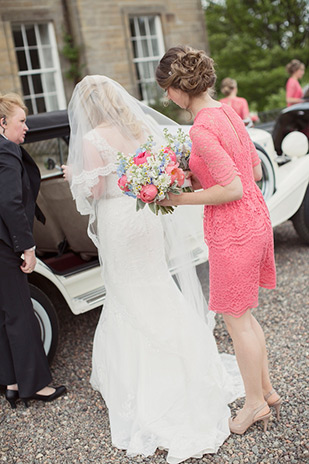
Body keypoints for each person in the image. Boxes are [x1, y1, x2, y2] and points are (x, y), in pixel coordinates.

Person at [63, 75, 245, 463]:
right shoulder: (137, 130)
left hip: (117, 219)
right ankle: (187, 364)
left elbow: (94, 192)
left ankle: (148, 386)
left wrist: (72, 176)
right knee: (156, 283)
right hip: (144, 219)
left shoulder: (91, 139)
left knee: (126, 290)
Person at [156, 46, 281, 435]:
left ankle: (255, 403)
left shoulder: (201, 128)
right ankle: (266, 389)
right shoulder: (227, 111)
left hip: (234, 230)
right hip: (256, 219)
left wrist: (176, 197)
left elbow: (231, 187)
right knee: (244, 313)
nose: (165, 97)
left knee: (236, 318)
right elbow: (255, 171)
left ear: (178, 89)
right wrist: (197, 178)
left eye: (166, 89)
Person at [0, 93, 66, 408]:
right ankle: (35, 386)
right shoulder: (7, 153)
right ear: (2, 124)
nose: (25, 128)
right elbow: (11, 204)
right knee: (21, 315)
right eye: (21, 121)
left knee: (5, 316)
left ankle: (12, 383)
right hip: (5, 248)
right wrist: (27, 247)